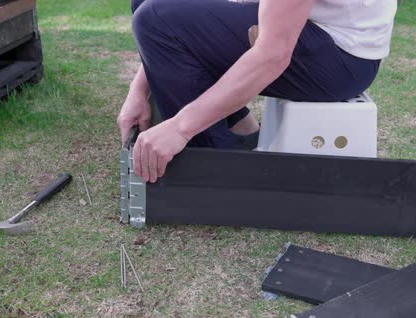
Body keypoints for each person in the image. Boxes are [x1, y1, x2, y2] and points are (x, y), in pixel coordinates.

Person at [117, 0, 397, 183]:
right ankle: (238, 128)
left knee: (155, 18)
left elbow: (273, 54)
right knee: (148, 5)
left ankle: (216, 168)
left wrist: (180, 128)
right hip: (307, 29)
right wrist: (139, 89)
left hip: (341, 58)